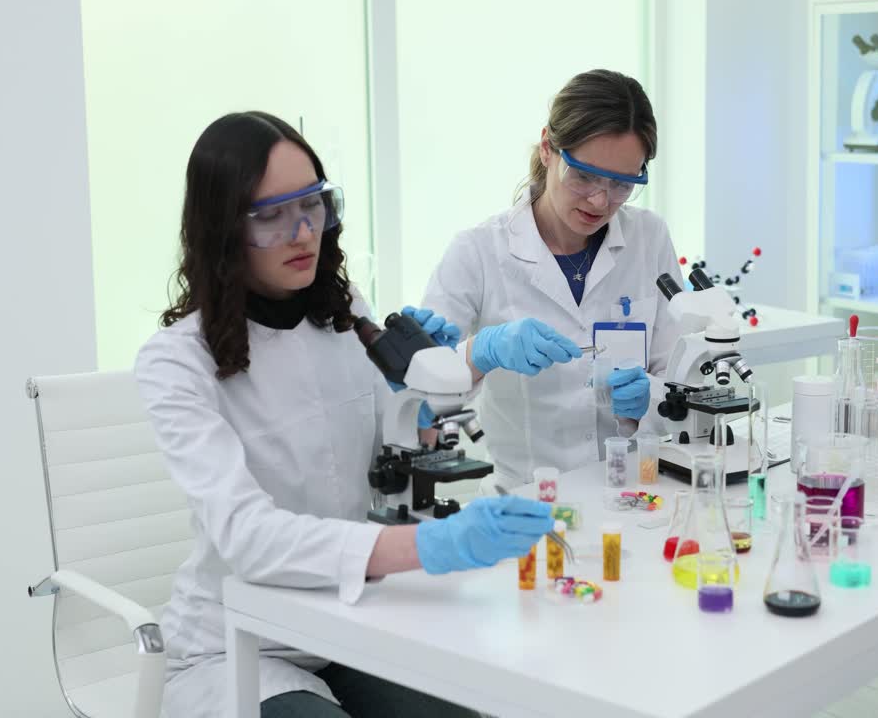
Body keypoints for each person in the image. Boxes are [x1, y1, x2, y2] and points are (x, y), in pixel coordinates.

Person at [134, 111, 564, 717]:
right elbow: (249, 539)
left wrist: (442, 377)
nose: (302, 232)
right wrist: (427, 545)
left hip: (345, 623)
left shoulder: (342, 313)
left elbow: (403, 436)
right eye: (270, 216)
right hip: (240, 643)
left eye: (311, 205)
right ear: (222, 228)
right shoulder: (176, 360)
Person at [420, 69, 683, 491]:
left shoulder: (649, 238)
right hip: (527, 501)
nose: (600, 201)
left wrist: (648, 400)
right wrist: (480, 352)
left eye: (621, 184)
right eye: (584, 176)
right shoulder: (478, 252)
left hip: (633, 492)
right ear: (548, 148)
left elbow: (680, 376)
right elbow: (421, 393)